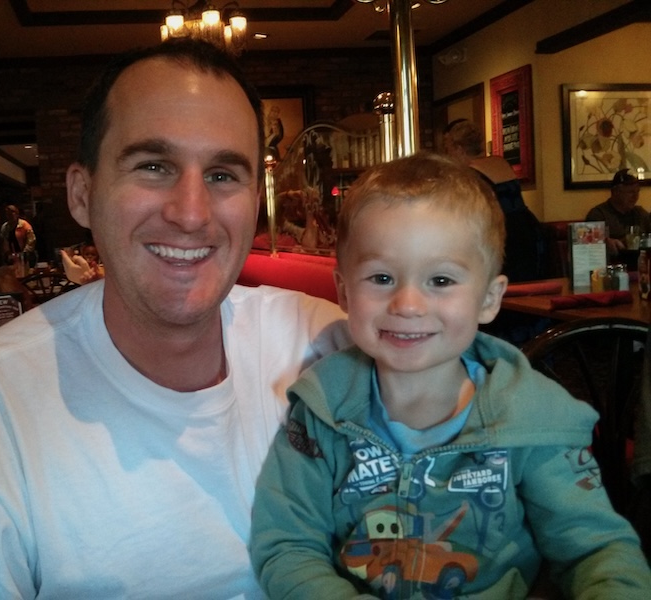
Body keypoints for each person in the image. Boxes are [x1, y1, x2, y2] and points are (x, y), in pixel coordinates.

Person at [0, 39, 349, 597]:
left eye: (223, 175)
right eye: (153, 166)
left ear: (254, 200)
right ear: (82, 194)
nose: (191, 213)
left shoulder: (319, 342)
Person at [250, 153, 651, 598]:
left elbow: (596, 551)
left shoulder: (532, 417)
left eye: (440, 281)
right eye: (381, 278)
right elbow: (287, 547)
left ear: (489, 299)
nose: (407, 305)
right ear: (344, 291)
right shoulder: (320, 412)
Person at [444, 118, 545, 284]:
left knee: (505, 288)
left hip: (502, 234)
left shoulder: (469, 174)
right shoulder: (500, 162)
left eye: (449, 150)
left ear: (459, 149)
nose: (448, 156)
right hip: (528, 228)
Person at [586, 168, 651, 257]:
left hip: (640, 263)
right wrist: (605, 243)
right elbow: (590, 249)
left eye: (637, 191)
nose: (635, 197)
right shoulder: (598, 215)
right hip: (612, 263)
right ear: (615, 192)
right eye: (630, 192)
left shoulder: (640, 214)